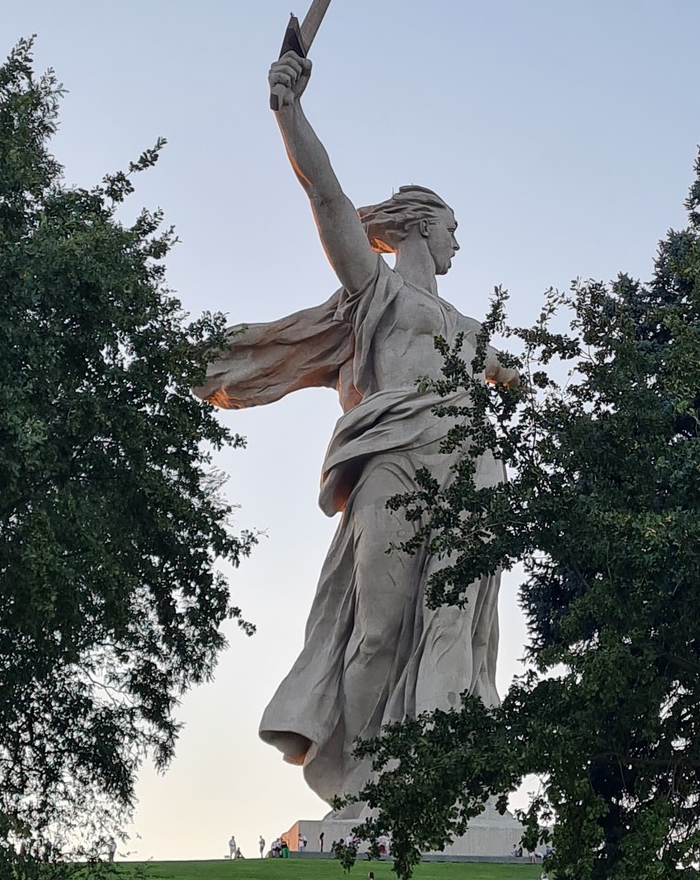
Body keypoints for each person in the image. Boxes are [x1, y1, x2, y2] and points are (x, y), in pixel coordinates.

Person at [196, 51, 518, 804]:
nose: (458, 246)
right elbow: (330, 200)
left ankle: (442, 785)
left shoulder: (472, 327)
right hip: (392, 466)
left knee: (455, 625)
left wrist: (507, 371)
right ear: (421, 226)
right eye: (452, 229)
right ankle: (368, 784)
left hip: (469, 469)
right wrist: (290, 112)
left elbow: (511, 370)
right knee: (376, 627)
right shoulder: (376, 291)